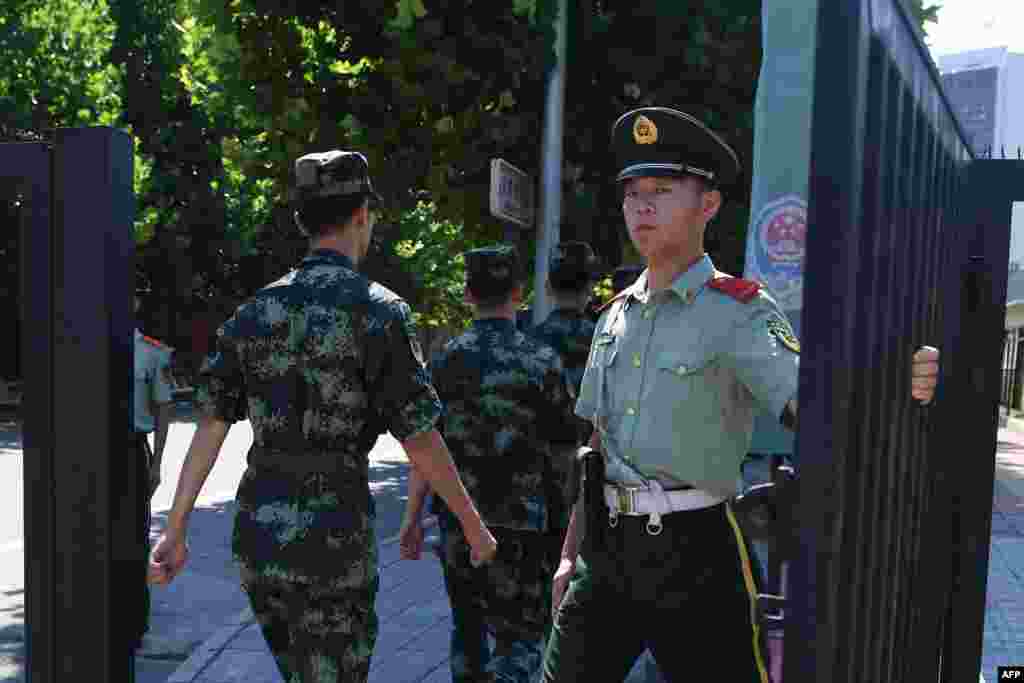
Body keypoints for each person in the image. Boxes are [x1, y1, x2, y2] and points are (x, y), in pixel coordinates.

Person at [540, 107, 941, 682]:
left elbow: (813, 402)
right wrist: (567, 555)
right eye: (632, 193)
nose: (641, 206)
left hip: (697, 551)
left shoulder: (739, 312)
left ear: (708, 205)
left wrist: (895, 381)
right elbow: (595, 449)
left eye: (661, 190)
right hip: (606, 553)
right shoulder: (612, 317)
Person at [147, 150, 497, 683]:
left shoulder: (255, 311)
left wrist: (175, 528)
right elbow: (419, 435)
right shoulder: (380, 312)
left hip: (260, 536)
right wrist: (473, 527)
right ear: (362, 215)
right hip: (333, 536)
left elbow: (212, 423)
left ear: (300, 221)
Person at [398, 244, 578, 683]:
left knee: (468, 633)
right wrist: (570, 533)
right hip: (528, 525)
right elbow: (565, 453)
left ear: (466, 293)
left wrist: (411, 519)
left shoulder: (443, 362)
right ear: (519, 293)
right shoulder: (542, 361)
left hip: (462, 521)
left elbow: (425, 447)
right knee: (521, 639)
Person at [131, 288, 175, 651]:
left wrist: (157, 462)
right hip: (91, 452)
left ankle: (134, 620)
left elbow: (163, 409)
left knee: (134, 533)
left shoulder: (151, 353)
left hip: (132, 450)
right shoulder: (83, 349)